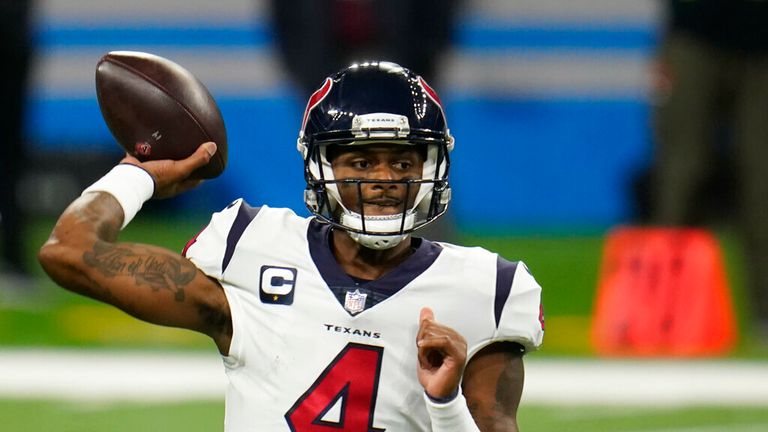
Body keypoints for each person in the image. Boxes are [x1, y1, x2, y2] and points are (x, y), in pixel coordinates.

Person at [39, 62, 544, 431]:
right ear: (321, 167)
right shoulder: (250, 247)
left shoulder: (487, 290)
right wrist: (138, 176)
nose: (386, 179)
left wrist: (446, 404)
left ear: (432, 168)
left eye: (404, 162)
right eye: (362, 163)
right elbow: (68, 250)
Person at [651, 0, 768, 340]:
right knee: (682, 173)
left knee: (763, 181)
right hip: (694, 30)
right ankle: (663, 311)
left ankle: (765, 312)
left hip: (761, 39)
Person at [0, 0, 33, 280]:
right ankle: (13, 257)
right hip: (14, 31)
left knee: (10, 156)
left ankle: (13, 255)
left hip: (12, 33)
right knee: (10, 156)